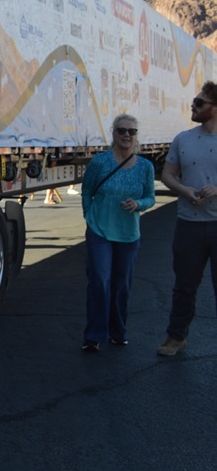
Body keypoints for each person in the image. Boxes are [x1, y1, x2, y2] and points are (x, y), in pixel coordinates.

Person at [79, 114, 154, 352]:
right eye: (122, 130)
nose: (126, 135)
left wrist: (139, 204)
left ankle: (117, 332)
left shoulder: (145, 167)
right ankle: (94, 336)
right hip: (99, 231)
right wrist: (90, 216)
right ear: (113, 133)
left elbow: (150, 197)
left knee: (121, 285)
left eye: (131, 131)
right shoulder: (100, 162)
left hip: (128, 234)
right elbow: (87, 191)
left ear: (136, 135)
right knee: (100, 282)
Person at [157, 82, 217, 356]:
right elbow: (168, 174)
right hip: (189, 225)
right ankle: (176, 337)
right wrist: (184, 190)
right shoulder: (183, 139)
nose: (193, 105)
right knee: (184, 286)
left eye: (199, 102)